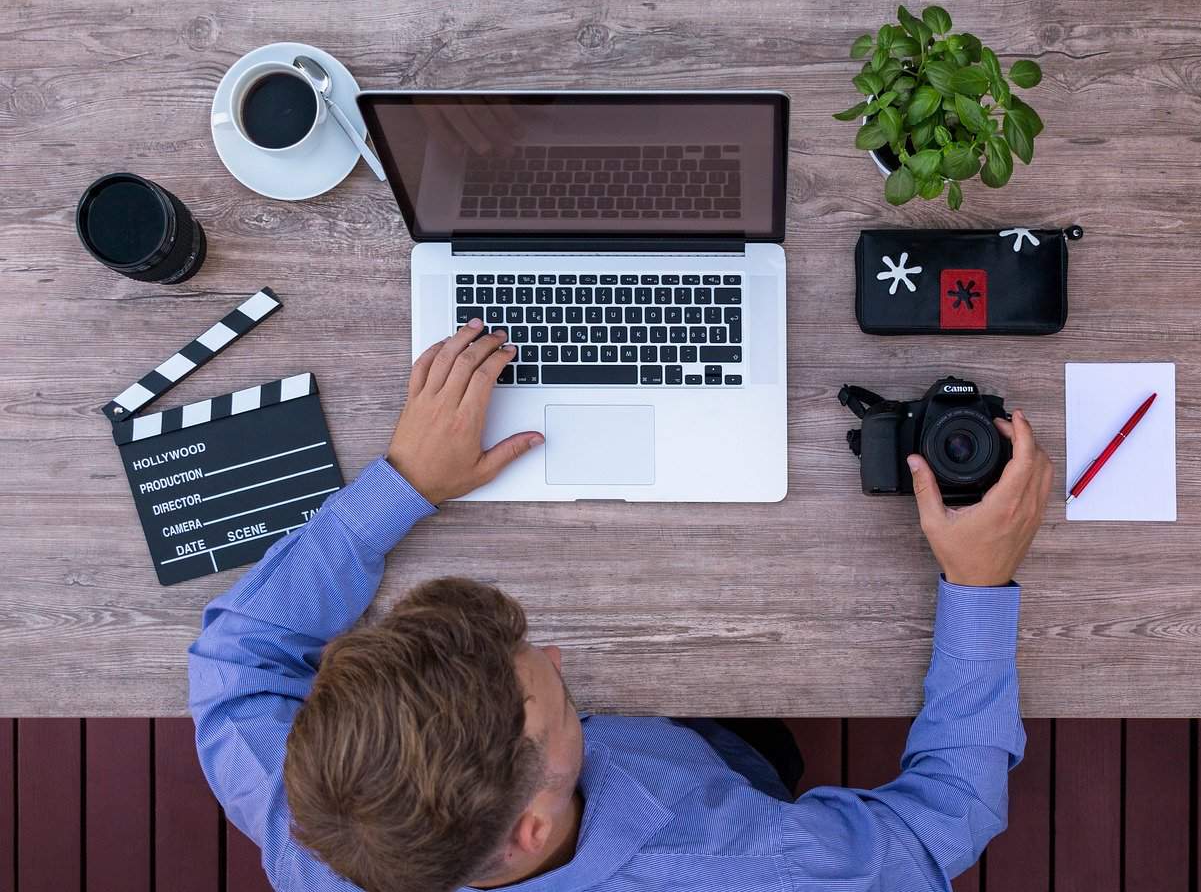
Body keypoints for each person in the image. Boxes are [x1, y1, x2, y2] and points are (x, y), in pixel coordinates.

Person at [189, 318, 1053, 892]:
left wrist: (404, 482)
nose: (565, 665)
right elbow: (945, 821)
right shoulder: (747, 867)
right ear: (531, 828)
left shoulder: (325, 825)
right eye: (554, 697)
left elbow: (235, 666)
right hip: (727, 775)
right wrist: (979, 586)